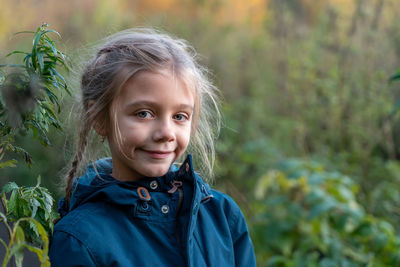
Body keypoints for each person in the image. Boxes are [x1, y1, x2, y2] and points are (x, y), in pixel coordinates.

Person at [49, 28, 256, 267]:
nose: (166, 132)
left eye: (180, 116)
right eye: (144, 113)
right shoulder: (80, 239)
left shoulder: (222, 217)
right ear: (100, 119)